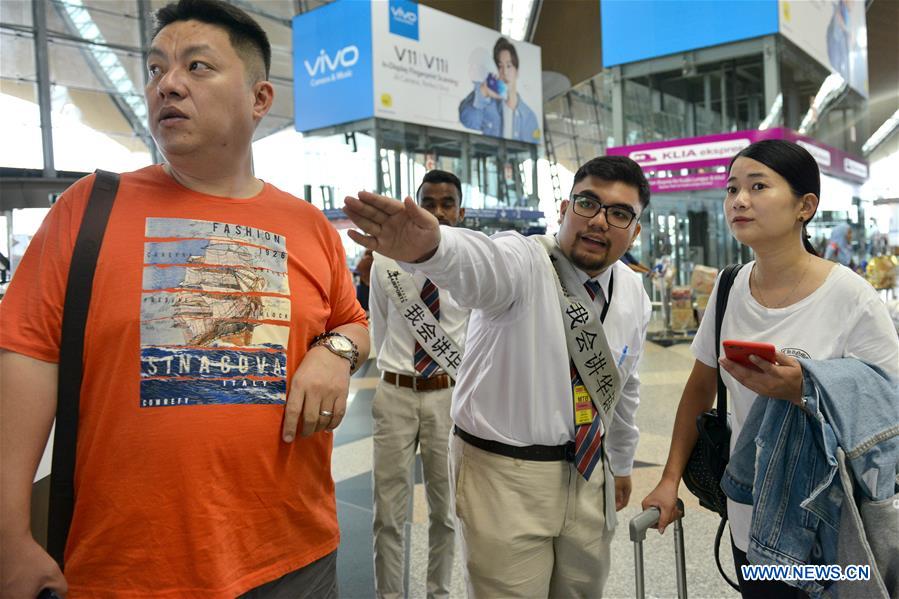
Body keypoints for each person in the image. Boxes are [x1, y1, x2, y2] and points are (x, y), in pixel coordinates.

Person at [0, 1, 369, 597]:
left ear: (259, 99)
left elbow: (352, 320)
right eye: (155, 69)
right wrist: (6, 534)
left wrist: (337, 350)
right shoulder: (89, 208)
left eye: (197, 67)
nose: (166, 83)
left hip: (294, 555)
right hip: (131, 567)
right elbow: (25, 359)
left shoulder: (308, 226)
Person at [344, 156, 652, 597]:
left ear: (635, 230)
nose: (599, 221)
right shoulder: (525, 262)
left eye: (620, 213)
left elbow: (626, 386)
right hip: (506, 477)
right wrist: (434, 249)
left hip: (589, 475)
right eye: (588, 203)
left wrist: (621, 462)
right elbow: (480, 264)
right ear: (564, 210)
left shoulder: (632, 292)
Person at [641, 139, 898, 599]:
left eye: (758, 186)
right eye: (732, 188)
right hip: (749, 520)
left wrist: (807, 388)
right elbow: (700, 389)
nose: (739, 200)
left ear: (806, 206)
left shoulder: (850, 297)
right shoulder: (728, 287)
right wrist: (667, 480)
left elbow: (889, 403)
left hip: (830, 530)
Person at [369, 169, 469, 599]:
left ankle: (438, 593)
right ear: (415, 206)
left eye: (447, 203)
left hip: (448, 395)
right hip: (394, 393)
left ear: (460, 211)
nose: (438, 211)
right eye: (429, 202)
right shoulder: (385, 262)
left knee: (447, 513)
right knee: (387, 514)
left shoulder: (470, 265)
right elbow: (379, 330)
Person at [458, 37, 540, 143]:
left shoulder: (529, 117)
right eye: (500, 66)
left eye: (509, 66)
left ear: (517, 71)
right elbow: (467, 120)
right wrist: (484, 92)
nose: (504, 72)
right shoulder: (485, 102)